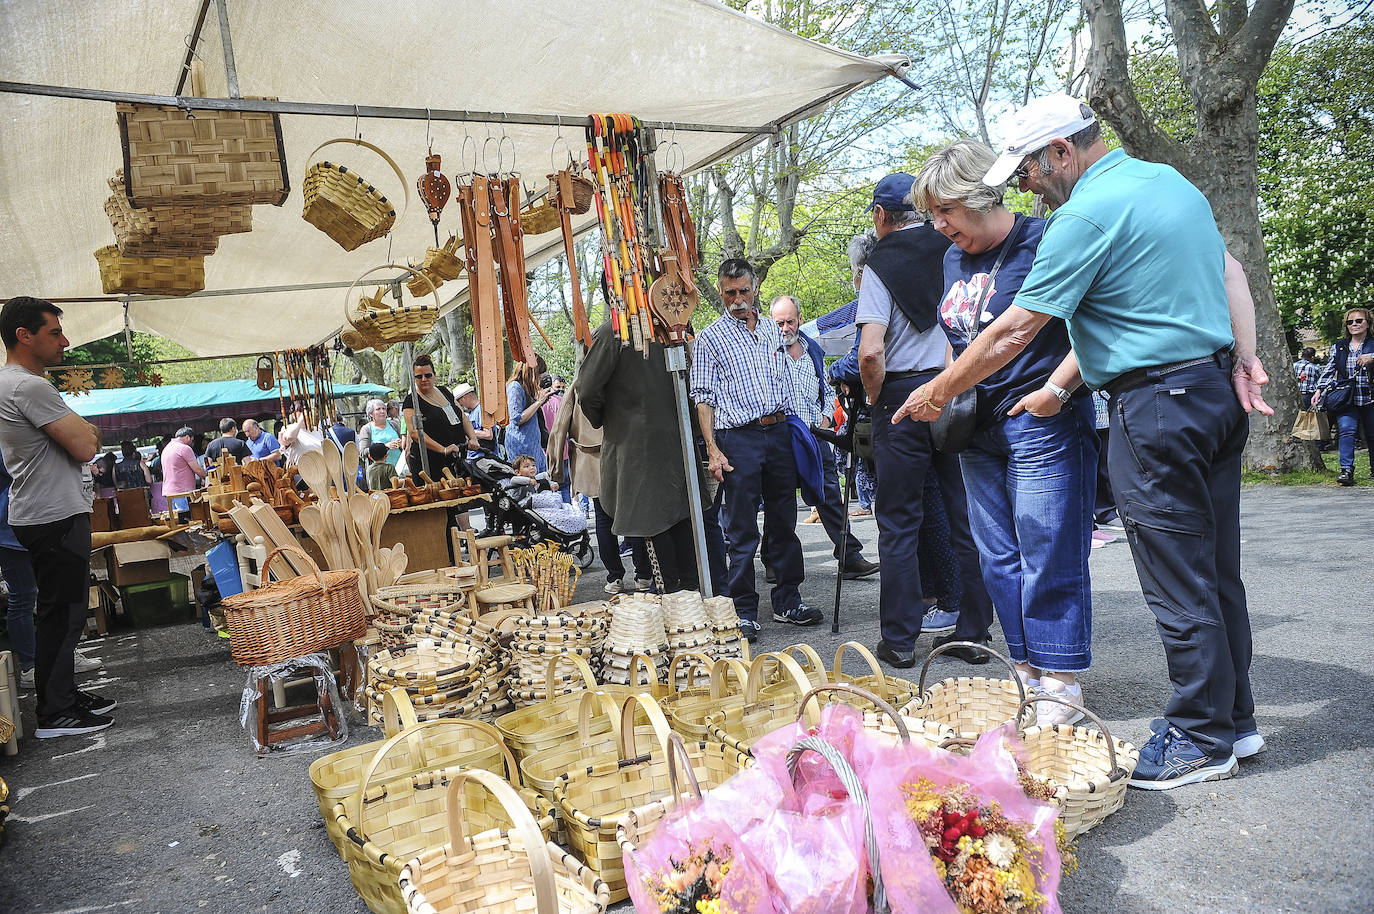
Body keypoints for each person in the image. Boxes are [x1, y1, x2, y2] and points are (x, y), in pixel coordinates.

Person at [894, 94, 1274, 789]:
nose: (1027, 185)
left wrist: (941, 388)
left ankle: (1198, 736)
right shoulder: (1168, 182)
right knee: (1215, 573)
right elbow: (1232, 273)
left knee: (1177, 581)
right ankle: (1235, 721)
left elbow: (1015, 331)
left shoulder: (1082, 217)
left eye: (1031, 170)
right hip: (1213, 390)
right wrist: (1246, 358)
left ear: (1062, 151)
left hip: (1155, 403)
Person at [914, 138, 1099, 724]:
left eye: (946, 209)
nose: (940, 225)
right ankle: (1025, 671)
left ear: (980, 194)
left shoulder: (1044, 240)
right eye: (932, 214)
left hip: (1041, 420)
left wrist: (1057, 390)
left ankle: (1061, 681)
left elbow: (1094, 326)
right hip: (978, 428)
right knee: (996, 555)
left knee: (1048, 548)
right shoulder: (950, 258)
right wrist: (953, 392)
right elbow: (959, 332)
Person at [855, 173, 995, 669]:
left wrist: (876, 399)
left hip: (900, 394)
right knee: (966, 515)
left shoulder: (878, 264)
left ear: (880, 216)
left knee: (898, 522)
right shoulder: (956, 249)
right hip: (958, 385)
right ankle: (975, 631)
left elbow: (871, 351)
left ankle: (898, 640)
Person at [0, 297, 115, 738]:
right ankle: (55, 709)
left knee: (61, 610)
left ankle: (61, 694)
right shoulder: (28, 386)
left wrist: (81, 431)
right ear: (23, 335)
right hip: (53, 514)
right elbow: (87, 445)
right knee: (61, 612)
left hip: (45, 512)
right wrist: (82, 431)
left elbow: (84, 437)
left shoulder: (20, 383)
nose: (65, 342)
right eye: (55, 333)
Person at [690, 257, 818, 638]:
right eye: (730, 293)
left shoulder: (771, 331)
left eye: (744, 291)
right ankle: (743, 610)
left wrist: (800, 428)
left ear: (754, 288)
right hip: (737, 438)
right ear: (720, 292)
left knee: (784, 520)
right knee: (741, 528)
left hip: (777, 431)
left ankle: (787, 601)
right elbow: (703, 397)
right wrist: (712, 448)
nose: (738, 299)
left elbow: (786, 383)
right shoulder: (712, 338)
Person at [579, 316, 701, 595]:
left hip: (637, 448)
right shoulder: (669, 322)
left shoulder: (615, 330)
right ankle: (688, 599)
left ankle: (672, 599)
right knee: (680, 517)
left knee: (654, 521)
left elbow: (586, 391)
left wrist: (611, 421)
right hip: (676, 439)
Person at [767, 294, 878, 580]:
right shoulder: (765, 352)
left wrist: (827, 415)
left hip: (815, 435)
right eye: (779, 322)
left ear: (799, 320)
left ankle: (849, 556)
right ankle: (773, 559)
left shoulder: (812, 348)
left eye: (790, 321)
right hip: (782, 435)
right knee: (780, 500)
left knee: (830, 494)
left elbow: (826, 388)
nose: (785, 328)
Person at [546, 380, 652, 593]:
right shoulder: (623, 378)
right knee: (635, 517)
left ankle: (615, 578)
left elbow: (559, 428)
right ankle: (643, 576)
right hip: (627, 457)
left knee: (604, 519)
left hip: (592, 461)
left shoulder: (578, 385)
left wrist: (555, 469)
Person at [1312, 307, 1374, 486]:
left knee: (1372, 435)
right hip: (1347, 397)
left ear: (1367, 323)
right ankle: (1346, 470)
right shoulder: (1339, 346)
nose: (1354, 324)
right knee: (1346, 430)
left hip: (1370, 396)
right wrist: (1319, 390)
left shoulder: (1372, 343)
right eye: (1350, 322)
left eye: (1358, 321)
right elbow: (1330, 369)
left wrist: (1372, 357)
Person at [402, 354, 479, 479]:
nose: (423, 379)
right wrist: (443, 449)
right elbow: (415, 433)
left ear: (434, 375)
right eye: (419, 376)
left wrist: (473, 438)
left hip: (457, 458)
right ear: (414, 378)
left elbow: (462, 417)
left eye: (428, 375)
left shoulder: (444, 391)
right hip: (430, 464)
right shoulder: (411, 401)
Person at [0, 446, 36, 689]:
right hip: (11, 530)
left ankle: (55, 656)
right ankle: (31, 666)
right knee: (23, 598)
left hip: (27, 524)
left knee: (41, 596)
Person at [504, 358, 554, 474]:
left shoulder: (525, 388)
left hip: (534, 447)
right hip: (522, 448)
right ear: (532, 372)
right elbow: (516, 418)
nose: (539, 379)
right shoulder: (515, 387)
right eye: (538, 375)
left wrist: (539, 399)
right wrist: (538, 402)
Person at [160, 426, 207, 514]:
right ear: (187, 437)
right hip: (182, 492)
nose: (192, 444)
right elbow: (198, 469)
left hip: (170, 492)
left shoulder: (167, 448)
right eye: (192, 441)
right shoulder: (184, 448)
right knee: (188, 521)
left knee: (177, 522)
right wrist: (208, 477)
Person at [357, 398, 404, 471]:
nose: (382, 411)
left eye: (384, 408)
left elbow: (404, 444)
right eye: (378, 409)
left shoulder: (394, 425)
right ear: (371, 413)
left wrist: (401, 444)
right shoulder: (366, 429)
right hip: (379, 472)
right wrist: (384, 446)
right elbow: (363, 452)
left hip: (399, 468)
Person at [454, 384, 495, 461]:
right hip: (474, 458)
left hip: (483, 459)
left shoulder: (482, 410)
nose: (461, 405)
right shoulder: (472, 413)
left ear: (464, 398)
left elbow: (488, 434)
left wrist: (468, 432)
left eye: (459, 402)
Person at [1292, 346, 1322, 411]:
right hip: (1309, 396)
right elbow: (1322, 381)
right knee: (1309, 415)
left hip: (1295, 395)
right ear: (1312, 357)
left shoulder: (1293, 366)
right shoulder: (1315, 368)